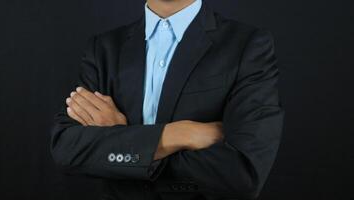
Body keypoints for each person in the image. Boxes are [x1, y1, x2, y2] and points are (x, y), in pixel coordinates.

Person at [50, 0, 284, 199]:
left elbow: (242, 174)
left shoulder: (248, 45)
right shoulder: (103, 48)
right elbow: (67, 148)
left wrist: (128, 144)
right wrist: (181, 133)